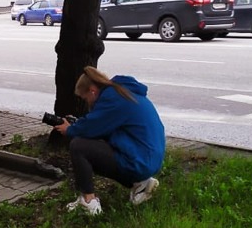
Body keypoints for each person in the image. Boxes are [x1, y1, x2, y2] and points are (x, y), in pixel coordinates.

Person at [51, 66, 166, 215]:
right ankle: (141, 184)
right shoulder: (121, 91)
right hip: (149, 157)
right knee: (95, 148)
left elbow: (91, 127)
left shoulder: (112, 98)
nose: (86, 102)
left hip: (141, 160)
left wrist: (70, 129)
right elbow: (101, 128)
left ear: (92, 90)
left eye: (84, 98)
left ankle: (89, 202)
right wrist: (80, 125)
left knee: (78, 146)